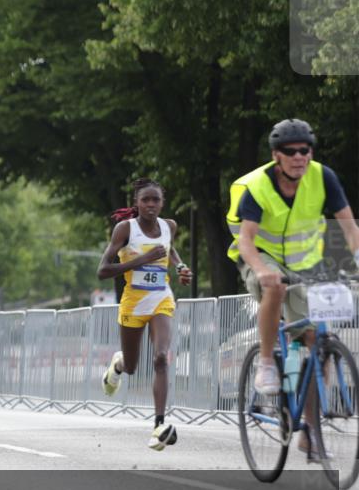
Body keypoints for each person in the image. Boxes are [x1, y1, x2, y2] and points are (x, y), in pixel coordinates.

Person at [226, 118, 359, 460]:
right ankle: (267, 362)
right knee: (276, 288)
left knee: (317, 341)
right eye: (290, 151)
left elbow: (349, 228)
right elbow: (246, 240)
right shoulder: (259, 186)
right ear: (276, 155)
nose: (299, 156)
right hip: (262, 259)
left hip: (305, 264)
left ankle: (310, 430)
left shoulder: (323, 177)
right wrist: (261, 271)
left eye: (305, 150)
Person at [98, 178, 193, 451]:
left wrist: (180, 266)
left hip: (161, 299)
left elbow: (169, 249)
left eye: (156, 200)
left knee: (161, 358)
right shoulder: (124, 229)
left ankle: (158, 426)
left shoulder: (169, 226)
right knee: (131, 367)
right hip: (133, 304)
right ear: (136, 203)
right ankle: (118, 365)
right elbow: (103, 270)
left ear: (162, 203)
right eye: (145, 200)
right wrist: (142, 260)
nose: (151, 205)